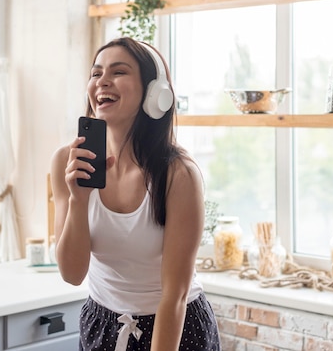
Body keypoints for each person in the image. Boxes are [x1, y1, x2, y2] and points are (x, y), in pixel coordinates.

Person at [50, 37, 221, 351]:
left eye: (118, 72)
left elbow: (175, 296)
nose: (103, 81)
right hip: (102, 323)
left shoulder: (178, 175)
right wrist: (78, 199)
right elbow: (72, 274)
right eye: (96, 73)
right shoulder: (67, 162)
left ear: (155, 93)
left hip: (174, 327)